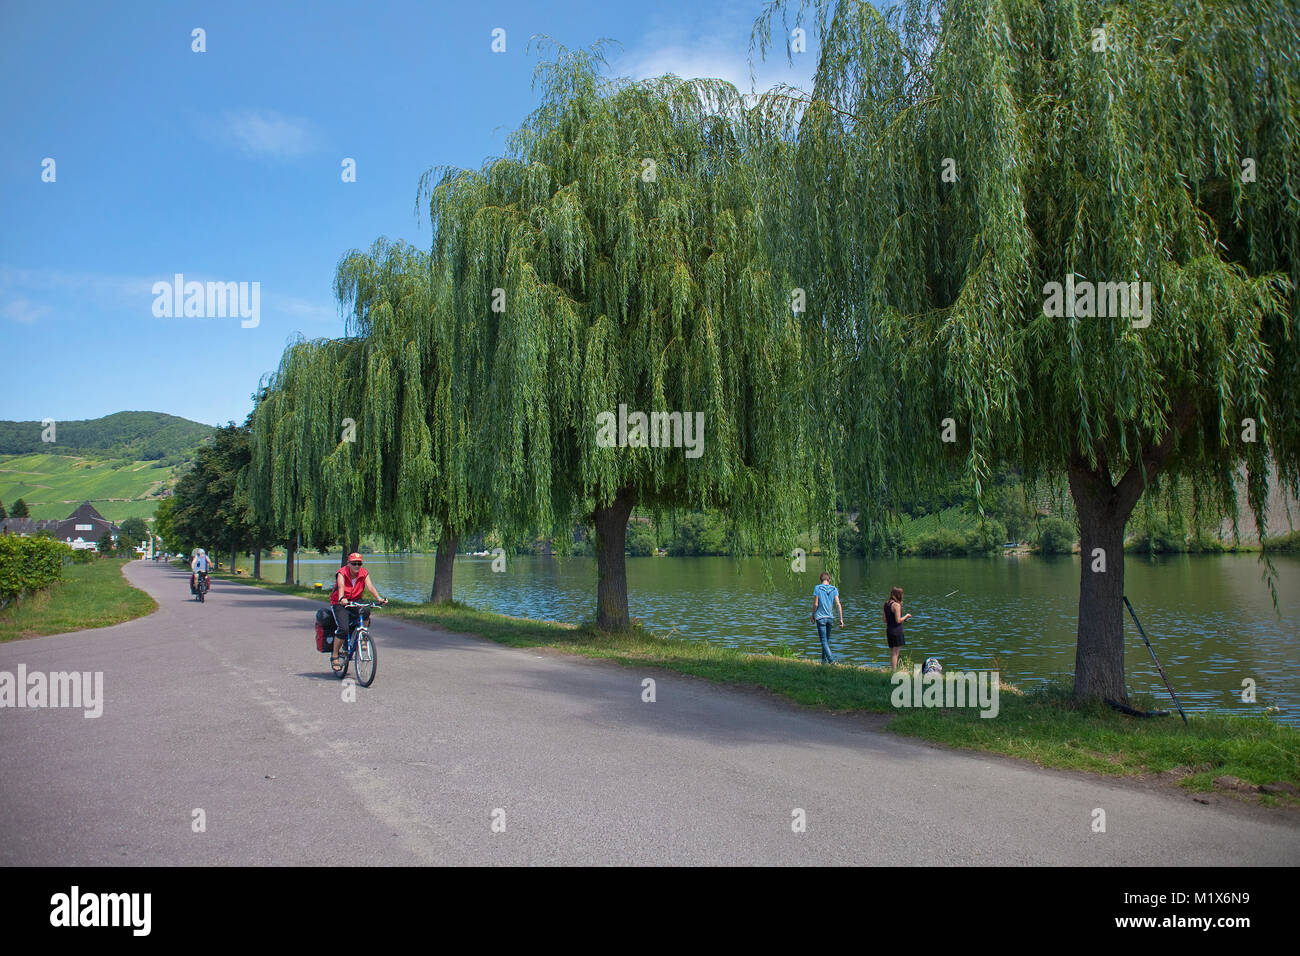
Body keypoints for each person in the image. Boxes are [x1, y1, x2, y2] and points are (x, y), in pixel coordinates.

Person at [329, 553, 387, 671]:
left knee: (366, 611)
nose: (357, 565)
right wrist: (341, 598)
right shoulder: (342, 572)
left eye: (359, 563)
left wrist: (378, 598)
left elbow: (370, 587)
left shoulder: (364, 573)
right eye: (354, 563)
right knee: (343, 629)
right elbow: (341, 586)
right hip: (340, 602)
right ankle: (334, 656)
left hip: (355, 600)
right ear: (348, 564)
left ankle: (363, 637)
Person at [810, 571, 844, 665]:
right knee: (826, 642)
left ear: (821, 580)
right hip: (830, 618)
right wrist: (841, 619)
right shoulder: (834, 589)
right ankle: (823, 663)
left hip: (821, 618)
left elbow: (816, 604)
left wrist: (812, 615)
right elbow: (838, 604)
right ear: (829, 579)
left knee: (824, 641)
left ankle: (831, 661)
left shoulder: (818, 588)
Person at [883, 586, 911, 669]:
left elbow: (884, 620)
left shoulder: (886, 604)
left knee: (893, 652)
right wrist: (906, 616)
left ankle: (892, 669)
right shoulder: (896, 605)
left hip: (889, 630)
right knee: (895, 653)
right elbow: (898, 620)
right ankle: (894, 671)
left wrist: (894, 619)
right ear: (899, 595)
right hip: (897, 631)